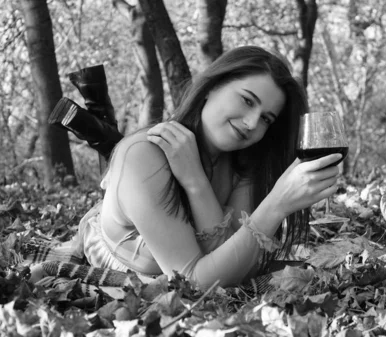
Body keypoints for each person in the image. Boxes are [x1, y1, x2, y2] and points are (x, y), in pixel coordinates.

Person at [70, 46, 341, 289]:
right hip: (121, 258)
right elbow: (194, 283)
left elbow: (233, 261)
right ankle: (99, 122)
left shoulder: (242, 158)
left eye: (266, 119)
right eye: (247, 100)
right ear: (212, 86)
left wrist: (195, 181)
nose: (251, 123)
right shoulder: (144, 154)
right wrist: (275, 205)